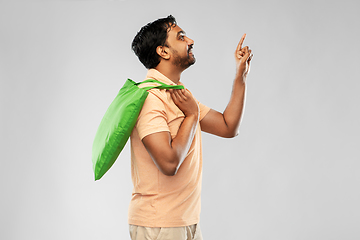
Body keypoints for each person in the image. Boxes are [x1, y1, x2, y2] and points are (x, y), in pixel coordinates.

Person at [128, 15, 253, 240]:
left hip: (185, 222)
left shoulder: (177, 94)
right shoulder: (150, 99)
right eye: (181, 36)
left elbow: (228, 126)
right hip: (160, 225)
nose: (190, 40)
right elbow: (169, 163)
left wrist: (240, 76)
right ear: (163, 51)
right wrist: (192, 114)